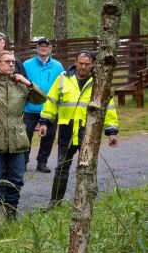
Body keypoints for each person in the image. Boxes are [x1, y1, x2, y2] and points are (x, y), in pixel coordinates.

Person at [37, 51, 119, 207]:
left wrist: (112, 132)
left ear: (93, 65)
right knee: (61, 167)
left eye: (87, 64)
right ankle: (54, 203)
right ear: (75, 62)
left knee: (88, 168)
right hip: (66, 130)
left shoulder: (99, 82)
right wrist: (44, 122)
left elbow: (108, 108)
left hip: (89, 131)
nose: (83, 66)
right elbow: (51, 102)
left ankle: (87, 203)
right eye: (80, 63)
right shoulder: (63, 78)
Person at [0, 51, 47, 220]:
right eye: (6, 61)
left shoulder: (20, 84)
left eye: (12, 62)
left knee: (16, 179)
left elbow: (41, 99)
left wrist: (28, 83)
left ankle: (11, 213)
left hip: (17, 138)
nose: (10, 64)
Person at [22, 37, 64, 172]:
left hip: (50, 108)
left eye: (46, 46)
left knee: (49, 136)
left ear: (50, 49)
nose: (43, 48)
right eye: (40, 46)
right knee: (25, 136)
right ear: (37, 48)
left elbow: (62, 85)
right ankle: (23, 162)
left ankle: (42, 162)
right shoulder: (27, 64)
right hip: (30, 108)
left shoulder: (58, 66)